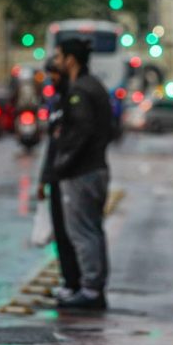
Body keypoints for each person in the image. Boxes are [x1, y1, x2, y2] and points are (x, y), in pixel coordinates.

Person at [52, 38, 113, 311]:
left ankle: (90, 290)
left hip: (83, 172)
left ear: (70, 60)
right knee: (92, 230)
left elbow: (81, 132)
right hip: (95, 168)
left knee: (83, 232)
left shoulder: (80, 90)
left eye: (58, 57)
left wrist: (63, 164)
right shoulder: (95, 85)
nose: (56, 63)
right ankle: (93, 286)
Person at [36, 57, 81, 301]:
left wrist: (64, 168)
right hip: (56, 175)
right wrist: (43, 180)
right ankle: (69, 280)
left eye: (55, 74)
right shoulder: (55, 102)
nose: (52, 79)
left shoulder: (73, 98)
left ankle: (78, 283)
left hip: (70, 176)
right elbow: (51, 146)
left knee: (72, 232)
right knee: (60, 233)